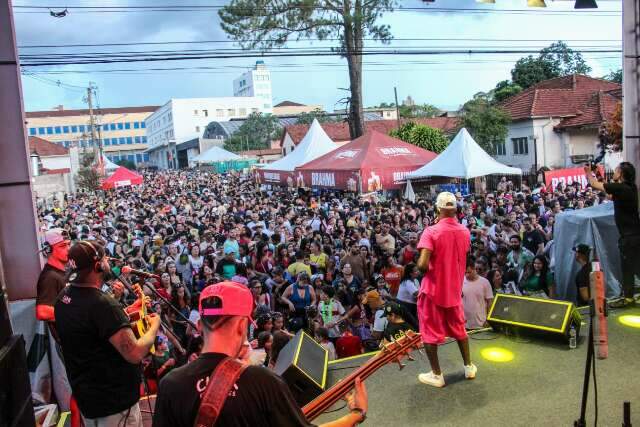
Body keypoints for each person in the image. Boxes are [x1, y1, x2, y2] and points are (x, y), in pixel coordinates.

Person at [153, 281, 368, 427]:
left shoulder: (171, 384)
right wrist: (356, 414)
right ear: (241, 326)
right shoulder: (264, 382)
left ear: (200, 326)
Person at [55, 241, 160, 426]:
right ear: (98, 265)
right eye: (105, 258)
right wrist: (154, 325)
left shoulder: (64, 296)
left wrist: (124, 310)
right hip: (114, 403)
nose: (108, 261)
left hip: (89, 397)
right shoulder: (103, 305)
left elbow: (93, 329)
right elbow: (134, 353)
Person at [416, 192, 476, 388]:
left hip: (433, 291)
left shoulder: (431, 231)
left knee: (429, 332)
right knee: (459, 328)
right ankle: (468, 367)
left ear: (438, 209)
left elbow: (423, 265)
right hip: (454, 290)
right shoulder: (465, 231)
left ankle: (436, 375)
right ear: (455, 210)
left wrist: (422, 266)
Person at [585, 162, 640, 306]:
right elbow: (609, 195)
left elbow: (594, 184)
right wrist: (597, 174)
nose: (614, 172)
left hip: (629, 238)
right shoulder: (629, 188)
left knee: (632, 268)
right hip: (633, 235)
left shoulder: (621, 188)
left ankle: (628, 298)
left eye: (616, 170)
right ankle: (628, 297)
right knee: (632, 267)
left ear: (621, 173)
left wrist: (588, 172)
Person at [461, 256, 494, 330]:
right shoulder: (460, 280)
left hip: (481, 324)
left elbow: (490, 302)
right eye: (465, 272)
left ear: (474, 269)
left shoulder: (485, 282)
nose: (467, 275)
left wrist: (488, 319)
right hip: (464, 324)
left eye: (469, 272)